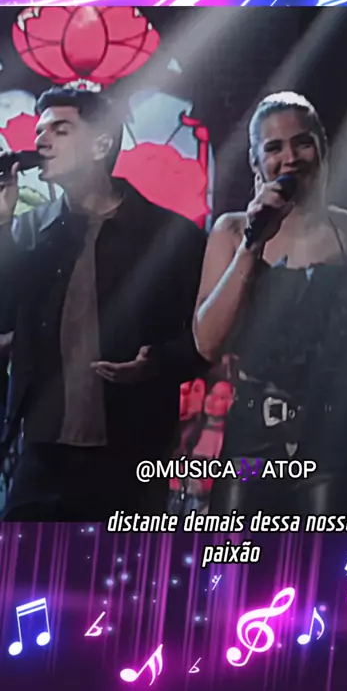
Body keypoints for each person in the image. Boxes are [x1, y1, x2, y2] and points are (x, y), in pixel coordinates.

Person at [193, 91, 347, 518]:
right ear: (256, 162)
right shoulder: (232, 232)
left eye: (302, 142)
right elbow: (208, 342)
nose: (290, 157)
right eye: (274, 148)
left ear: (322, 148)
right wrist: (251, 247)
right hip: (253, 438)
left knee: (332, 558)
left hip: (339, 438)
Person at [0, 86, 208, 521]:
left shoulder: (171, 237)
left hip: (130, 454)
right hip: (39, 453)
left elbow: (206, 338)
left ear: (101, 145)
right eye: (39, 132)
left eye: (60, 130)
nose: (41, 142)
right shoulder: (28, 232)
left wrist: (157, 363)